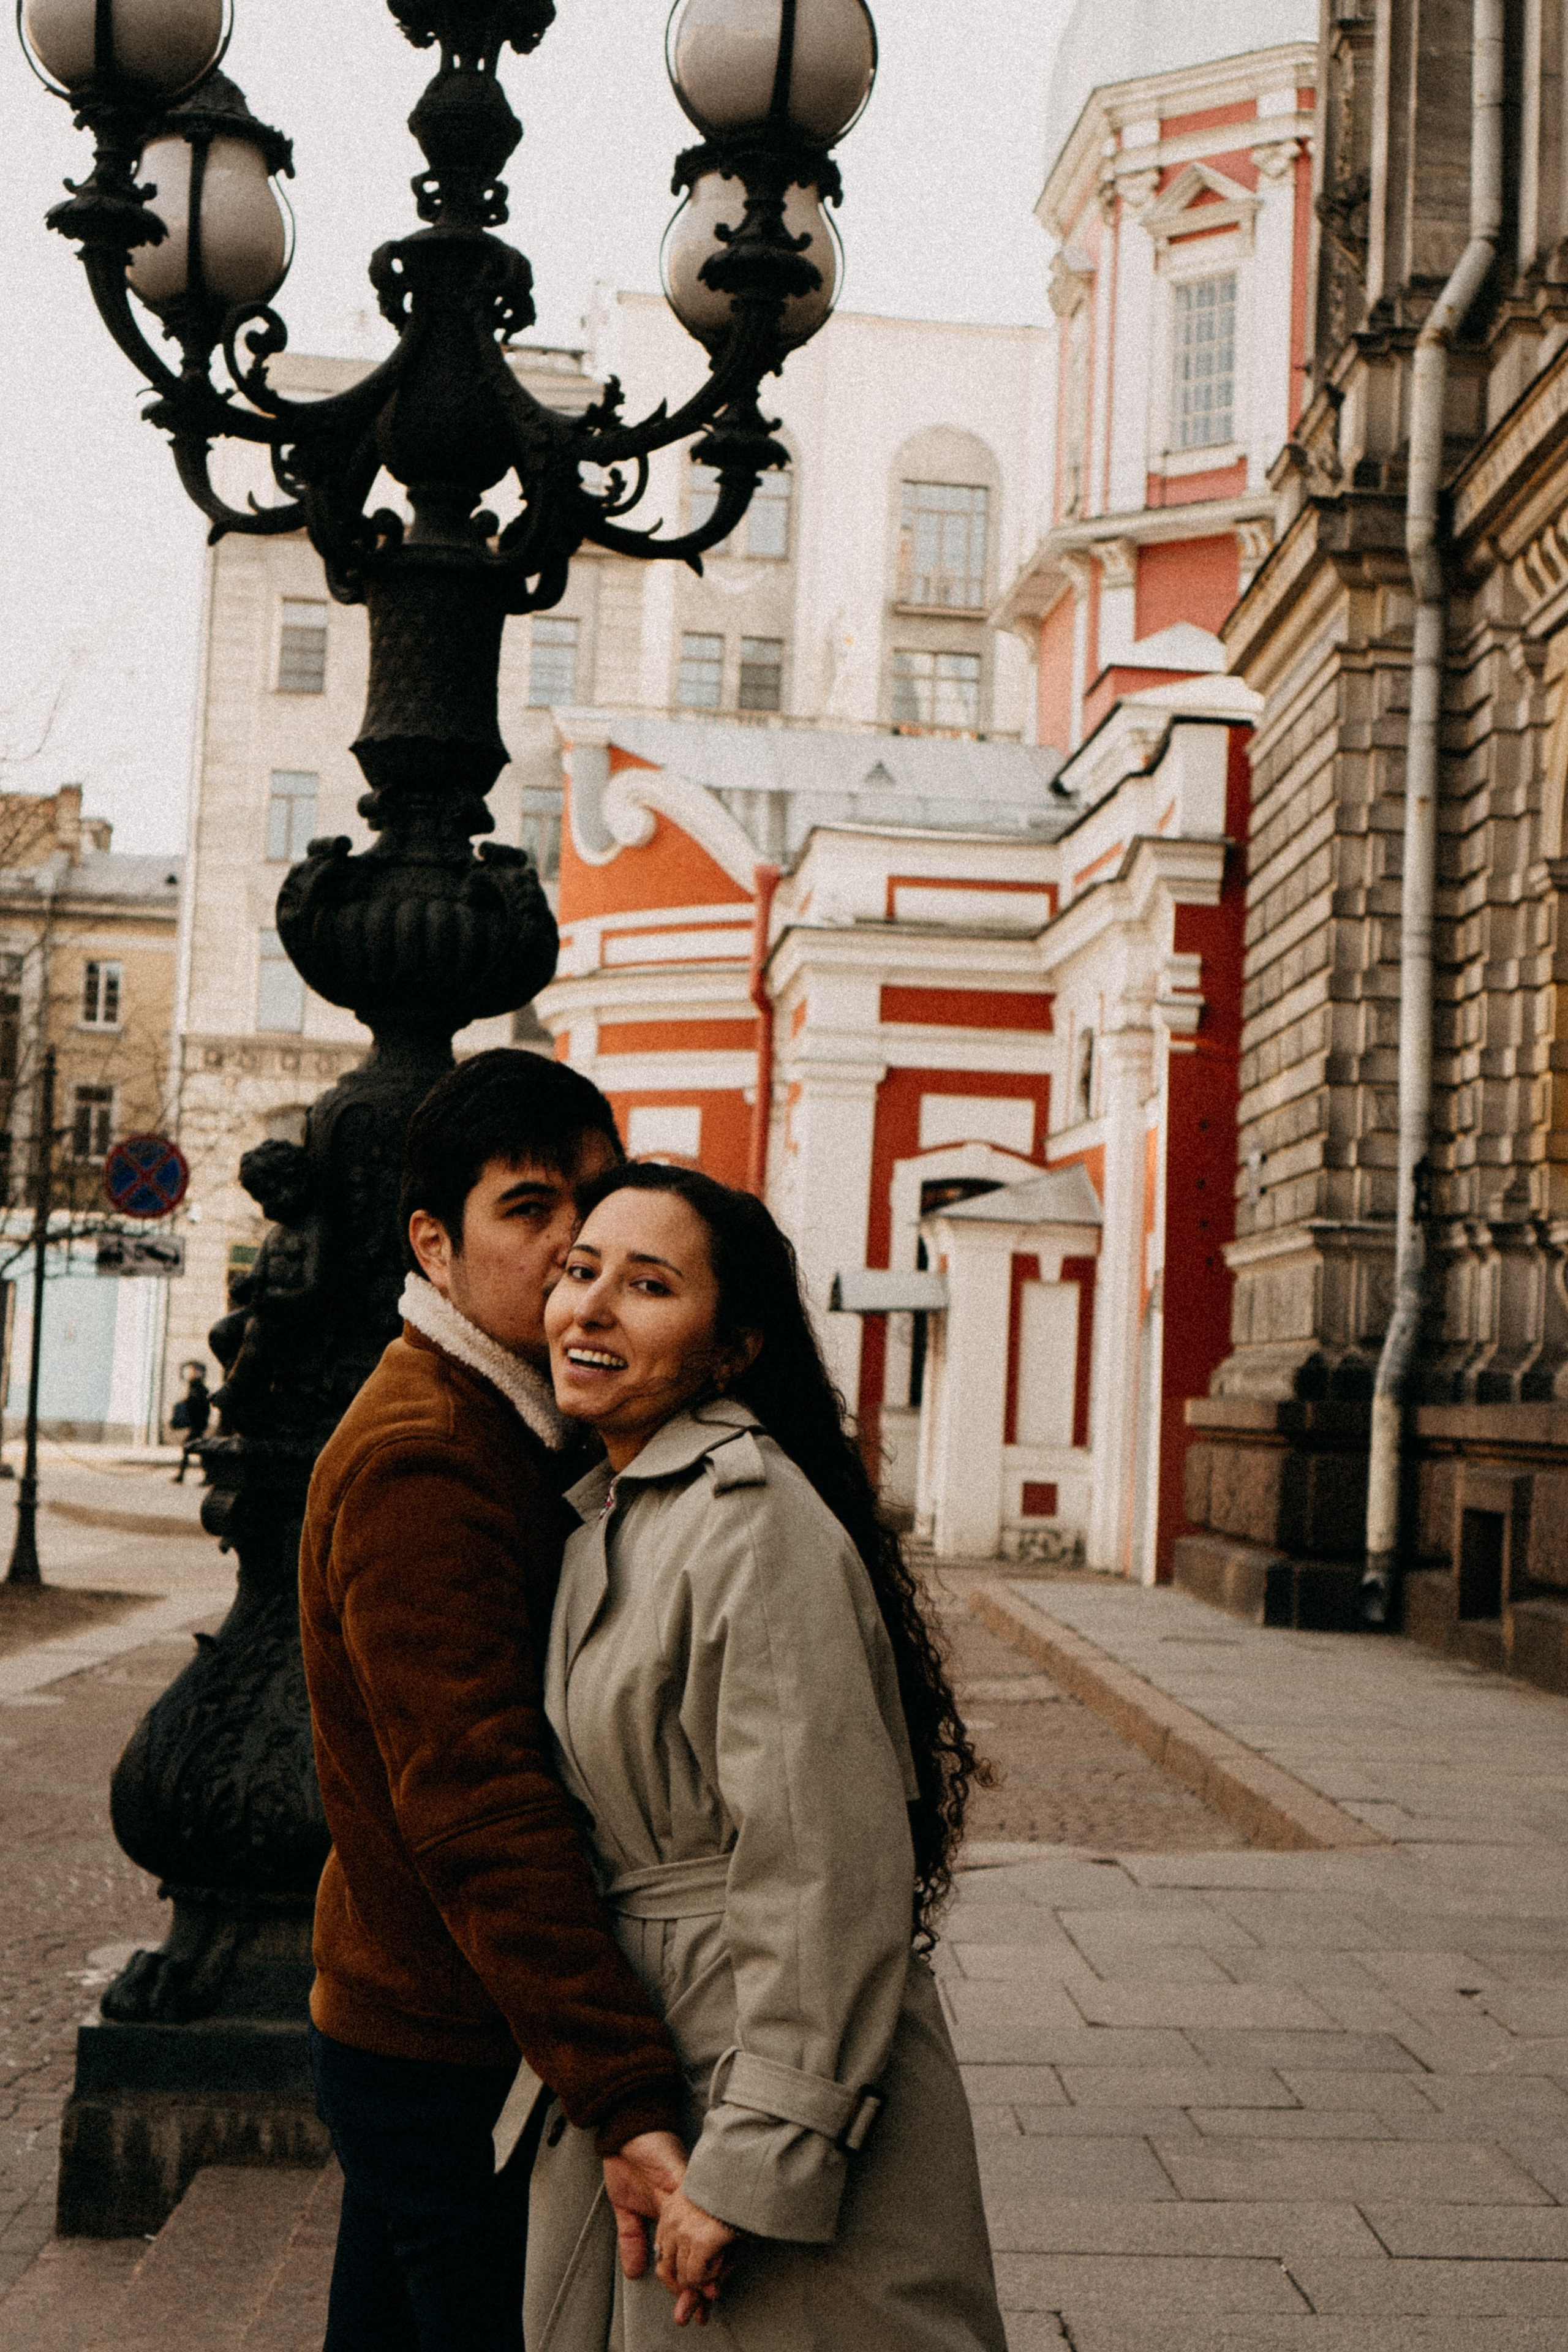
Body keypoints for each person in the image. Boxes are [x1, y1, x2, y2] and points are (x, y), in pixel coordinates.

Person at [527, 1161, 1006, 2350]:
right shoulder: (621, 1509)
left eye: (644, 1285)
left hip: (754, 2059)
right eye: (580, 1270)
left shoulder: (748, 1523)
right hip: (670, 2049)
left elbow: (824, 1865)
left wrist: (760, 2156)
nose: (589, 1308)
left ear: (730, 1349)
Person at [298, 1052, 695, 2352]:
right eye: (528, 1210)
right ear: (436, 1242)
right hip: (444, 2050)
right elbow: (479, 1809)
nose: (573, 1244)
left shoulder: (519, 1421)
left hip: (421, 2018)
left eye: (591, 1202)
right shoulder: (430, 1456)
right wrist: (624, 2091)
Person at [168, 1360, 211, 1482]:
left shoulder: (200, 1390)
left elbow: (201, 1409)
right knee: (197, 1449)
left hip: (198, 1425)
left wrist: (197, 1423)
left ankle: (183, 1476)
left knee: (192, 1448)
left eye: (195, 1371)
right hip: (197, 1424)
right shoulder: (195, 1388)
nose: (192, 1374)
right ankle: (204, 1475)